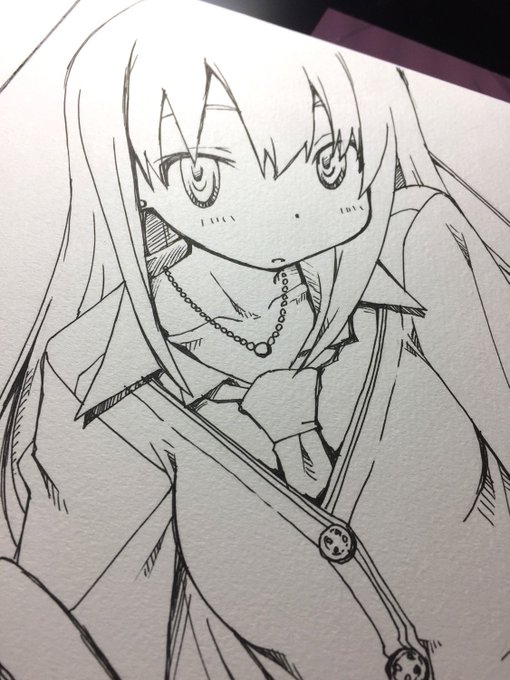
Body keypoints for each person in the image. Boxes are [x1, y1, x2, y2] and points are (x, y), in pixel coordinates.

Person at [1, 1, 510, 678]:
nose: (289, 206)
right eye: (204, 174)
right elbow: (99, 635)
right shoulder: (97, 375)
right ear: (136, 175)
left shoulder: (419, 246)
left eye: (329, 161)